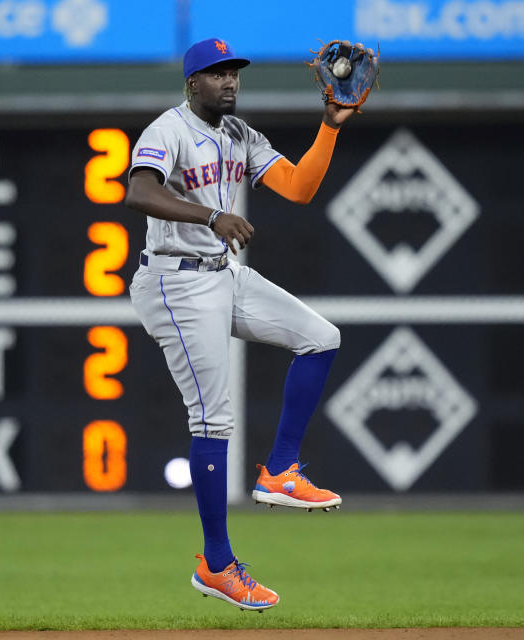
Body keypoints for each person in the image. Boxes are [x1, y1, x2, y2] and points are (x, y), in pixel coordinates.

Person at [124, 37, 361, 612]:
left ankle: (279, 470)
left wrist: (330, 125)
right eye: (216, 74)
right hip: (175, 281)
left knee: (320, 338)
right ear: (191, 83)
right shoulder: (167, 130)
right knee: (212, 417)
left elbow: (300, 188)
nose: (229, 82)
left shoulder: (240, 135)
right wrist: (211, 214)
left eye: (234, 73)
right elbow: (139, 191)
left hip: (219, 274)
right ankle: (217, 564)